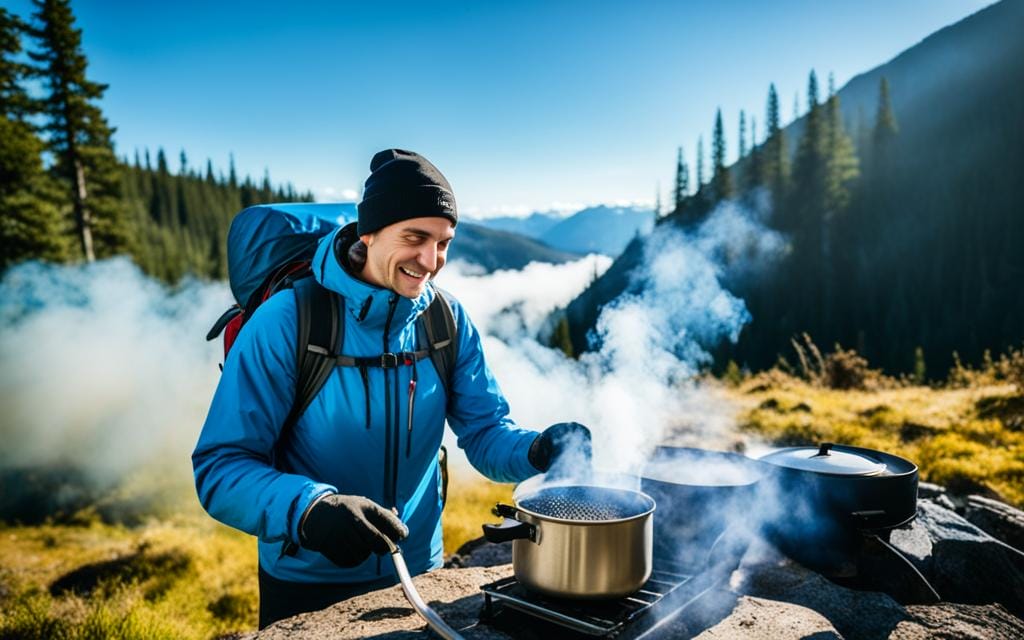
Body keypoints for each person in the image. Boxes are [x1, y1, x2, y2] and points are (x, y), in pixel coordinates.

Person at [192, 148, 591, 628]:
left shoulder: (446, 320)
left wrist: (537, 449)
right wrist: (311, 509)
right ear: (369, 233)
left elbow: (485, 432)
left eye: (444, 242)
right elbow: (221, 468)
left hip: (420, 572)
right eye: (415, 237)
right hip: (306, 582)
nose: (431, 260)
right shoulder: (289, 322)